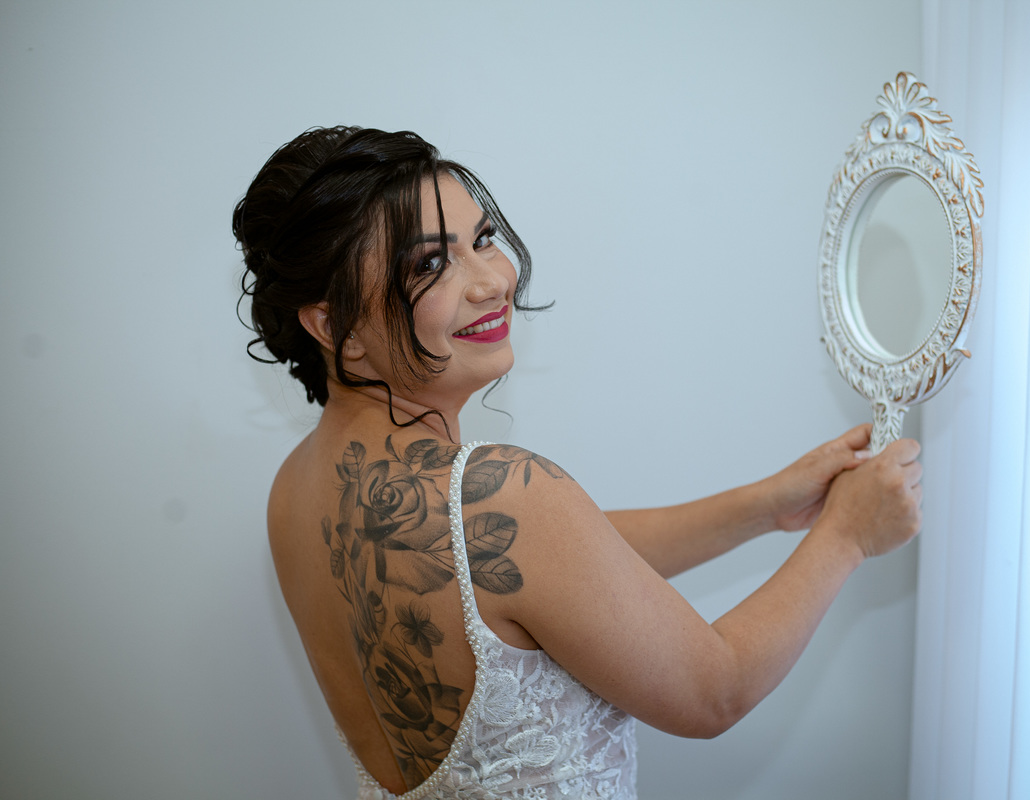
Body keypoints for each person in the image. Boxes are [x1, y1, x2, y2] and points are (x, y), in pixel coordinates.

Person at [234, 126, 922, 800]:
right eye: (429, 265)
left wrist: (767, 505)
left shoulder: (295, 487)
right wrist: (847, 537)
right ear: (334, 326)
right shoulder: (499, 495)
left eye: (483, 240)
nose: (491, 281)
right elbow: (716, 691)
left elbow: (553, 568)